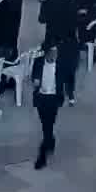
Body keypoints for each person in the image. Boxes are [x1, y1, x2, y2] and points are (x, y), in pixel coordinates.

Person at [32, 41, 68, 169]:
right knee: (45, 124)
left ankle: (42, 156)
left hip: (53, 98)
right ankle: (50, 139)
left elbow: (67, 79)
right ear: (46, 53)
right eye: (52, 53)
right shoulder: (38, 62)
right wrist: (35, 81)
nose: (54, 55)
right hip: (41, 97)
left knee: (48, 124)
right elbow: (34, 76)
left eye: (56, 53)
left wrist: (69, 95)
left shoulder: (61, 64)